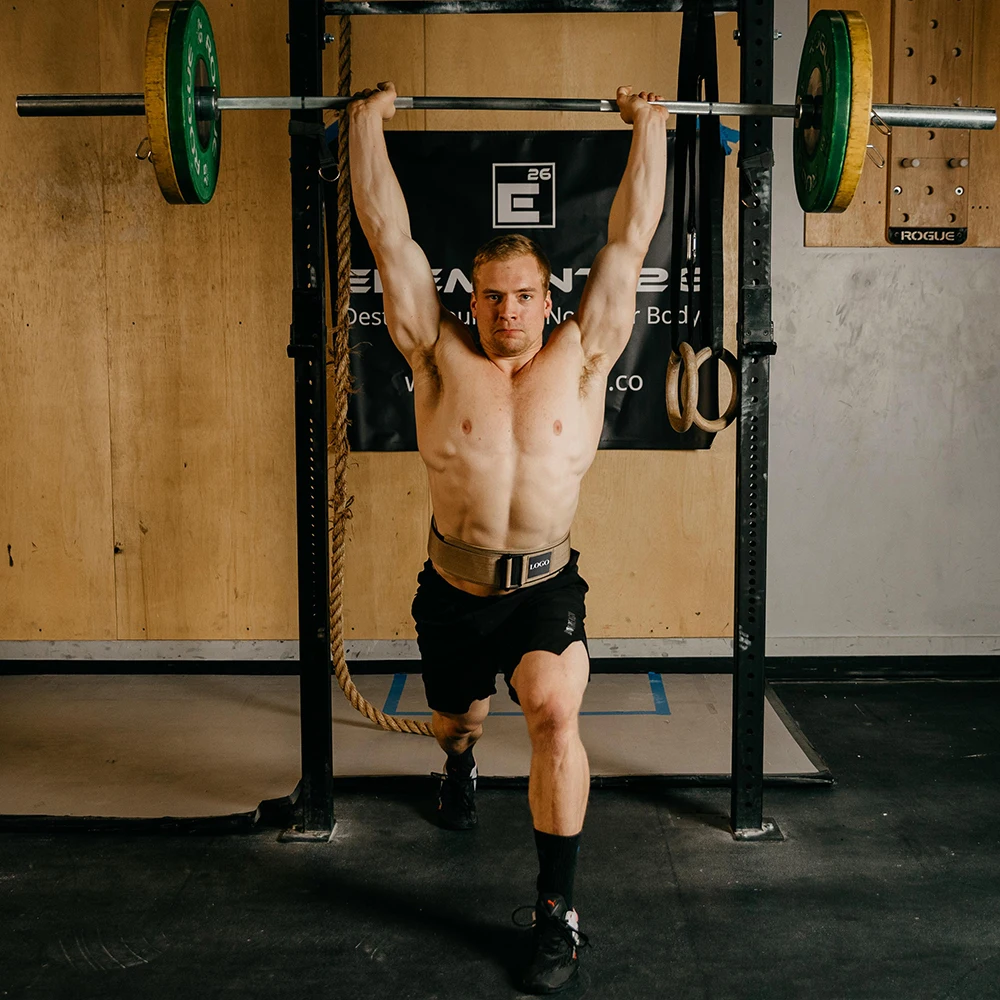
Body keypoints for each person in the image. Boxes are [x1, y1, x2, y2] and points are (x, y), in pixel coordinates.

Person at [346, 81, 667, 994]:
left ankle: (558, 911)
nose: (506, 313)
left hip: (544, 590)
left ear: (547, 293)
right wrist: (366, 126)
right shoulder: (436, 356)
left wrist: (650, 128)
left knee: (555, 715)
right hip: (452, 594)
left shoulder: (586, 354)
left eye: (522, 296)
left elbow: (631, 238)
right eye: (490, 297)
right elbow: (386, 235)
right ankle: (457, 760)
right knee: (460, 720)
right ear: (470, 297)